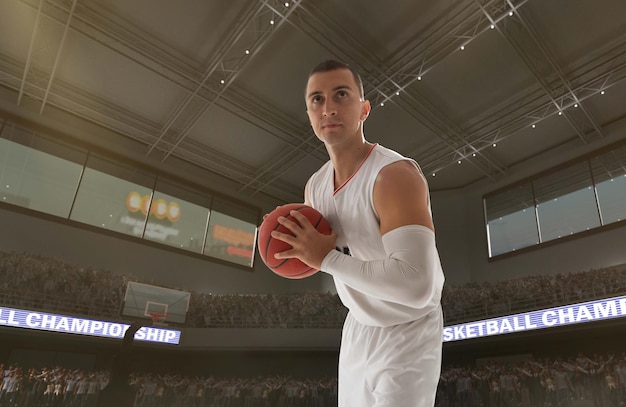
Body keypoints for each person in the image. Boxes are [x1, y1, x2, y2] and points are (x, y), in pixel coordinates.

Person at [271, 59, 445, 406]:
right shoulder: (315, 186)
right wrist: (283, 238)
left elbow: (415, 285)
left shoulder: (394, 175)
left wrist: (324, 257)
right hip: (358, 327)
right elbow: (316, 255)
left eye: (341, 95)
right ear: (309, 116)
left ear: (364, 109)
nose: (329, 107)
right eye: (317, 99)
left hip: (408, 328)